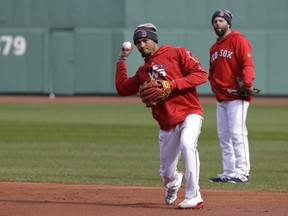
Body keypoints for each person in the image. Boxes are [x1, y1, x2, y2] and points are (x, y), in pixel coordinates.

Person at [115, 23, 207, 209]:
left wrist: (172, 84)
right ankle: (174, 181)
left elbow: (201, 75)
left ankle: (194, 195)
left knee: (188, 144)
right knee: (166, 173)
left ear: (154, 40)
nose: (142, 45)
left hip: (190, 111)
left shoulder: (177, 53)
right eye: (138, 42)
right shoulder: (143, 72)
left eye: (145, 40)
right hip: (166, 123)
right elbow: (122, 88)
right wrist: (121, 60)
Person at [208, 9, 256, 183]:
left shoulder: (238, 40)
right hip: (221, 98)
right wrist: (215, 88)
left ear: (228, 23)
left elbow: (247, 65)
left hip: (237, 97)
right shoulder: (214, 48)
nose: (217, 24)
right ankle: (229, 171)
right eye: (215, 21)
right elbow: (212, 73)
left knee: (237, 133)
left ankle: (242, 172)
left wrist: (247, 84)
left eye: (221, 20)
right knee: (224, 136)